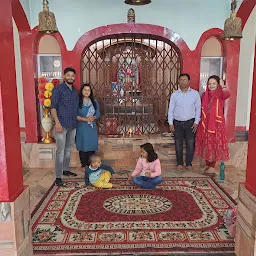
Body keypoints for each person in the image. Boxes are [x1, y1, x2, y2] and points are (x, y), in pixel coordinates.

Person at [194, 75, 230, 174]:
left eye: (214, 83)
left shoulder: (220, 94)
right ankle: (208, 164)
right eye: (209, 83)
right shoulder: (205, 95)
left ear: (217, 84)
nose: (211, 85)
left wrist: (223, 85)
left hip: (216, 124)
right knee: (206, 142)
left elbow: (227, 94)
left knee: (214, 144)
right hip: (205, 123)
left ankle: (213, 166)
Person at [51, 67, 79, 186]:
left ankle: (65, 170)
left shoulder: (75, 91)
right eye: (68, 75)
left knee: (68, 150)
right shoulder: (58, 89)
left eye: (72, 76)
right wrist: (57, 123)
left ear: (74, 77)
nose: (70, 77)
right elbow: (53, 107)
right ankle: (58, 177)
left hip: (72, 125)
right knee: (60, 152)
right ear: (64, 76)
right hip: (61, 125)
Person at [168, 73, 201, 171]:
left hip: (190, 123)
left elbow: (198, 109)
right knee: (178, 144)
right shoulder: (174, 95)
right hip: (177, 123)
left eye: (185, 79)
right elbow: (171, 109)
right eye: (181, 80)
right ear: (178, 81)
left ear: (189, 81)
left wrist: (196, 122)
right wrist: (170, 123)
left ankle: (189, 163)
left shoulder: (195, 94)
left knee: (190, 144)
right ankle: (180, 164)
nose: (183, 82)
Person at [76, 83, 100, 167]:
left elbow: (98, 113)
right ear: (82, 91)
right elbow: (74, 115)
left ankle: (91, 165)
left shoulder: (94, 101)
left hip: (91, 127)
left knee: (91, 146)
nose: (86, 92)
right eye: (85, 90)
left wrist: (93, 117)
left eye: (88, 90)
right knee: (83, 146)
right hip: (82, 127)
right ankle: (83, 165)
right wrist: (85, 119)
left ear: (91, 92)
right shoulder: (77, 101)